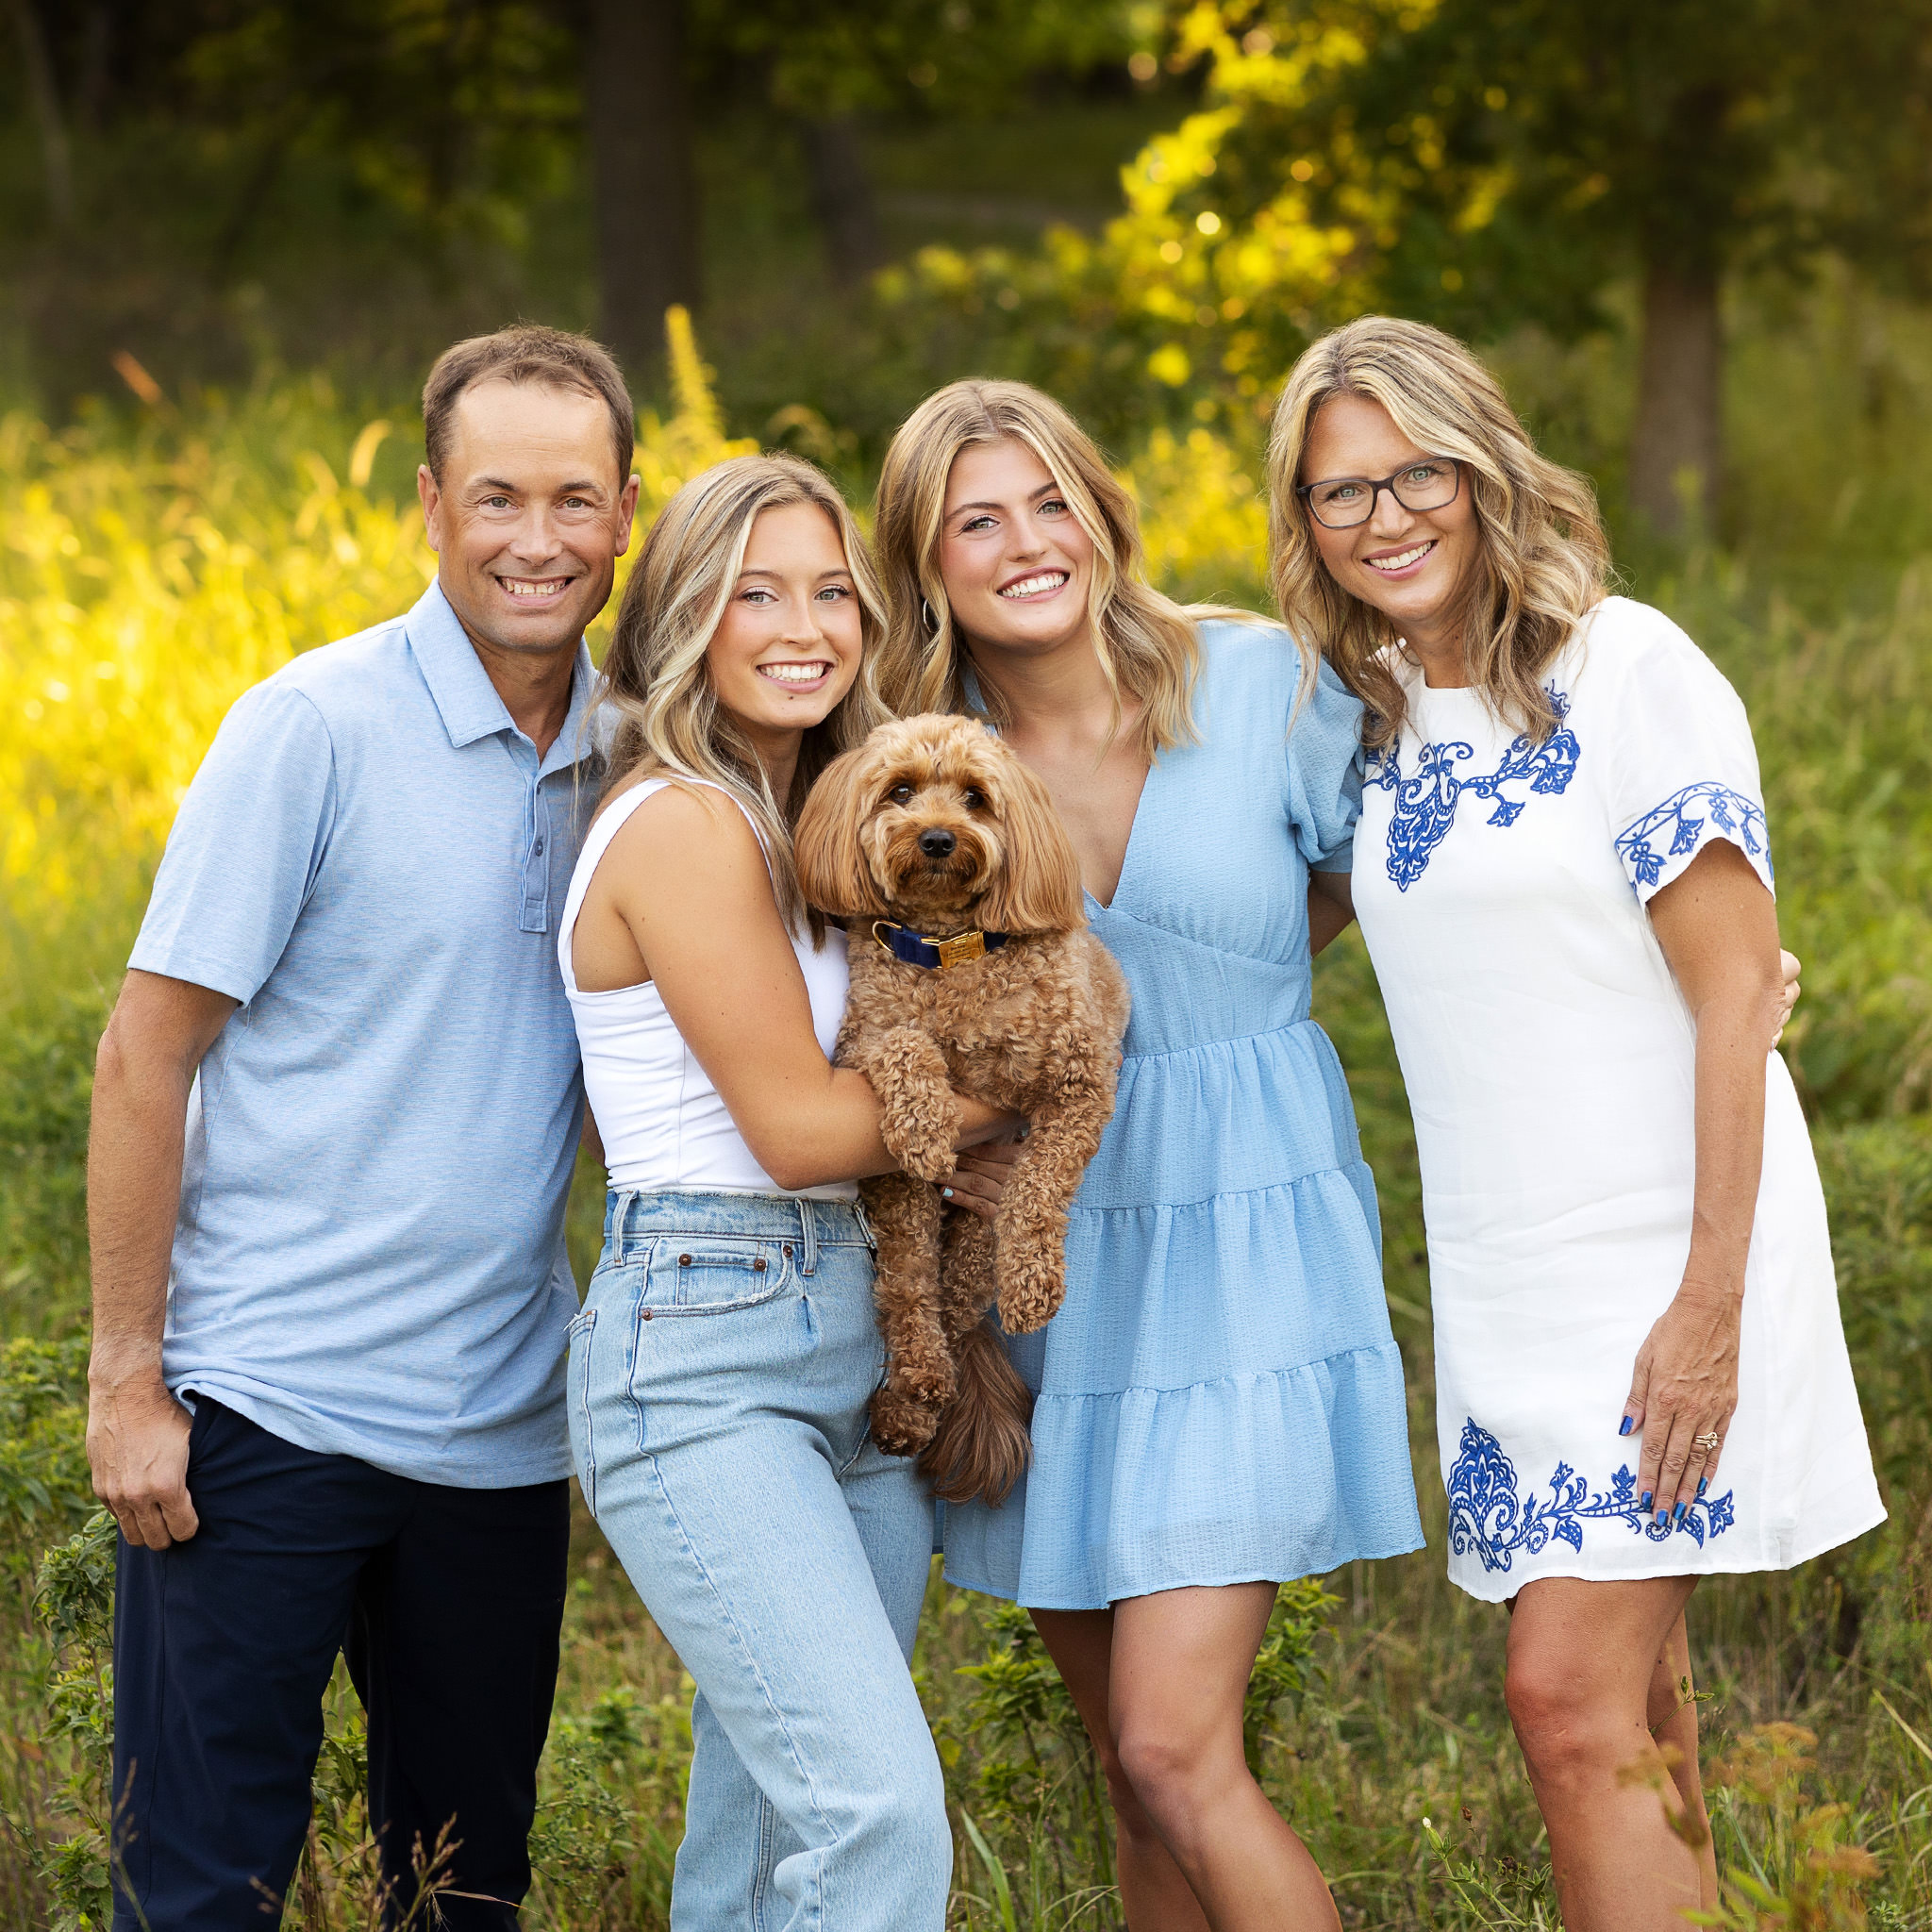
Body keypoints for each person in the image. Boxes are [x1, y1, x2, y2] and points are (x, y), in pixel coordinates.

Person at [1265, 314, 1884, 1932]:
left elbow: (1740, 997)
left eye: (1418, 476)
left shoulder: (1629, 667)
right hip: (1504, 1281)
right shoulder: (1369, 724)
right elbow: (1247, 922)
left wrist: (1708, 1305)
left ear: (1485, 473)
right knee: (1641, 1714)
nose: (1386, 518)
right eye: (1343, 492)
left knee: (1564, 1699)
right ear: (1306, 522)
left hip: (1673, 1254)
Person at [86, 324, 640, 1925]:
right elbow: (143, 1056)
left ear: (623, 514)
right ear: (428, 505)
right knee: (203, 1889)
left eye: (576, 500)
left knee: (461, 1896)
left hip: (499, 1433)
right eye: (497, 497)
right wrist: (128, 1378)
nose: (537, 540)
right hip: (265, 1411)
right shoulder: (309, 729)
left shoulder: (639, 755)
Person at [872, 379, 1425, 1932]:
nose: (1028, 542)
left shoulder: (1261, 679)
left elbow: (1388, 883)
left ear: (1105, 510)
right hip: (1045, 1266)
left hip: (1245, 1240)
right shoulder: (926, 756)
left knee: (1182, 1750)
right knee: (1130, 1767)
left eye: (1052, 500)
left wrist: (1232, 1008)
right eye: (980, 520)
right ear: (929, 563)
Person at [559, 450, 1017, 1931]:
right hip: (709, 1347)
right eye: (758, 591)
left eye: (833, 591)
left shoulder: (815, 821)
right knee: (875, 1816)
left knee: (769, 1834)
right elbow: (800, 1131)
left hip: (860, 1344)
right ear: (688, 612)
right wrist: (1025, 1093)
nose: (805, 625)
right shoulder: (686, 821)